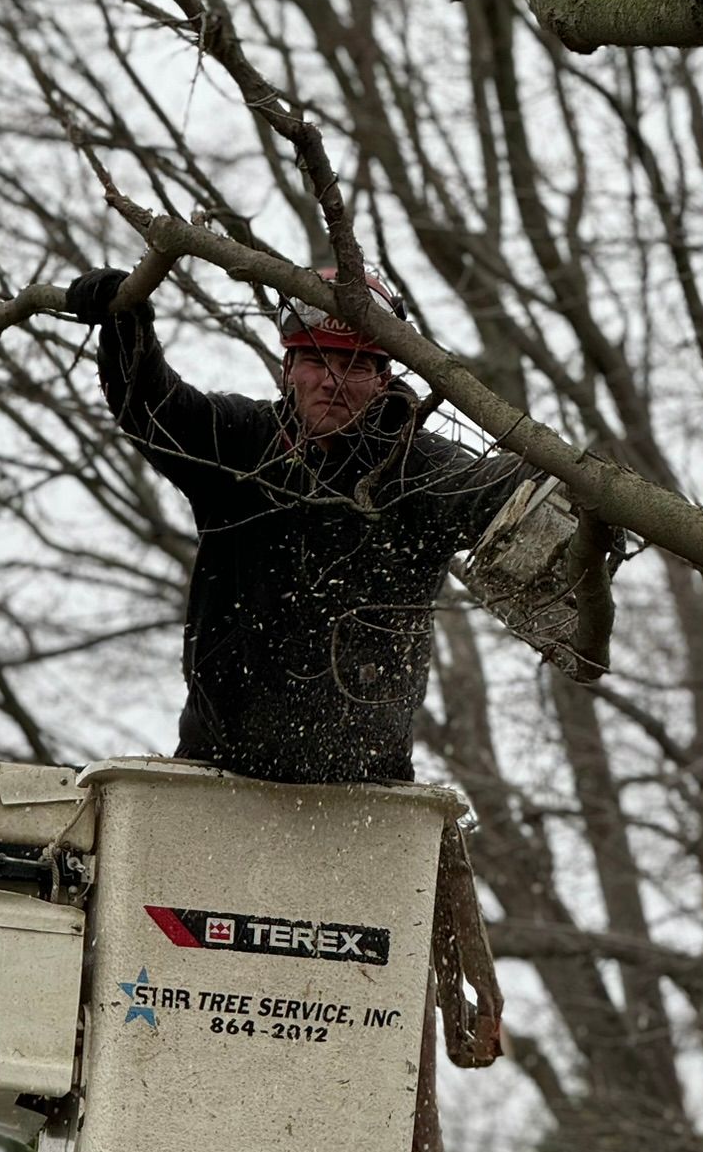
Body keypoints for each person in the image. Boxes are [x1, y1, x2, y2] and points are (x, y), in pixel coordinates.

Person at [67, 264, 525, 786]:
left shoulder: (417, 469)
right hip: (217, 768)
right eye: (315, 359)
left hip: (368, 786)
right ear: (288, 366)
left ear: (382, 379)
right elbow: (153, 407)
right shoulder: (240, 443)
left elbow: (490, 490)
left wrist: (570, 487)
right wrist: (124, 326)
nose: (330, 380)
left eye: (353, 365)